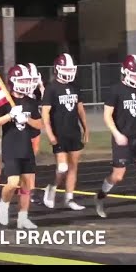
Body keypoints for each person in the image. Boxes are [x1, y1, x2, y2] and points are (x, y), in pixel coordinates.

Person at [95, 54, 136, 219]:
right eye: (134, 75)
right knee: (118, 176)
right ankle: (100, 196)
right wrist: (117, 134)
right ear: (125, 72)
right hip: (122, 138)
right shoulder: (115, 90)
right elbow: (107, 115)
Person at [0, 64, 43, 229]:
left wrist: (27, 120)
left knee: (27, 185)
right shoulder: (5, 101)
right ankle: (3, 205)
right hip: (11, 148)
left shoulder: (30, 101)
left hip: (26, 147)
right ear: (13, 81)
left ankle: (23, 218)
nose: (26, 83)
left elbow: (39, 124)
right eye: (23, 80)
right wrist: (9, 116)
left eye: (27, 80)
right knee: (12, 183)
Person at [41, 53, 87, 210]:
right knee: (62, 167)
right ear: (57, 69)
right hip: (59, 133)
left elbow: (80, 109)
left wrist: (86, 129)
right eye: (65, 69)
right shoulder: (51, 88)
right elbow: (45, 113)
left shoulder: (75, 86)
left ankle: (69, 198)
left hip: (74, 132)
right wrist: (50, 134)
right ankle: (52, 187)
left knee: (73, 167)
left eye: (70, 69)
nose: (68, 72)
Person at [25, 63, 45, 156]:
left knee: (35, 150)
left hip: (34, 122)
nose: (32, 82)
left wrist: (41, 85)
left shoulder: (36, 93)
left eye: (34, 79)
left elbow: (45, 98)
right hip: (22, 125)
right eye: (31, 79)